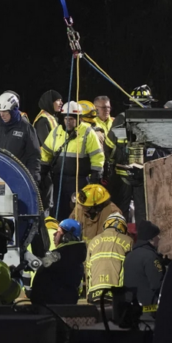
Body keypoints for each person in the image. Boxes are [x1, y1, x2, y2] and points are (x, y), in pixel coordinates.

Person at [40, 101, 104, 220]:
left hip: (79, 181)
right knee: (58, 210)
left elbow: (97, 156)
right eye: (66, 119)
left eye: (71, 119)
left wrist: (96, 177)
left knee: (78, 211)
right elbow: (46, 152)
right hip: (59, 180)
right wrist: (42, 171)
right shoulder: (56, 132)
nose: (68, 122)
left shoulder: (88, 132)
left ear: (78, 118)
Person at [109, 85, 155, 223]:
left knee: (120, 213)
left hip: (123, 175)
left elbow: (109, 146)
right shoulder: (152, 120)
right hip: (143, 176)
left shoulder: (121, 119)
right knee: (143, 213)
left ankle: (119, 238)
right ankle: (142, 241)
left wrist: (111, 163)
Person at [29, 218, 87, 305]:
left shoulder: (59, 256)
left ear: (66, 237)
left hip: (52, 308)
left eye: (58, 232)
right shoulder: (75, 255)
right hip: (65, 306)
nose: (54, 234)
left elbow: (42, 275)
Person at [0, 91, 41, 179]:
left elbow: (34, 157)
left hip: (17, 178)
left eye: (5, 111)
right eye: (0, 112)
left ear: (14, 110)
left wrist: (33, 180)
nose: (2, 115)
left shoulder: (26, 128)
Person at [85, 212, 132, 304]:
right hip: (116, 292)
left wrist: (88, 295)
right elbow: (131, 270)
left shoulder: (93, 241)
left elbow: (87, 269)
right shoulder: (128, 241)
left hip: (94, 292)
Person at [124, 220, 165, 307]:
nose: (159, 238)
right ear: (151, 239)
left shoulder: (129, 257)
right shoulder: (151, 256)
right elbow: (157, 284)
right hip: (149, 308)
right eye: (157, 236)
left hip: (132, 307)